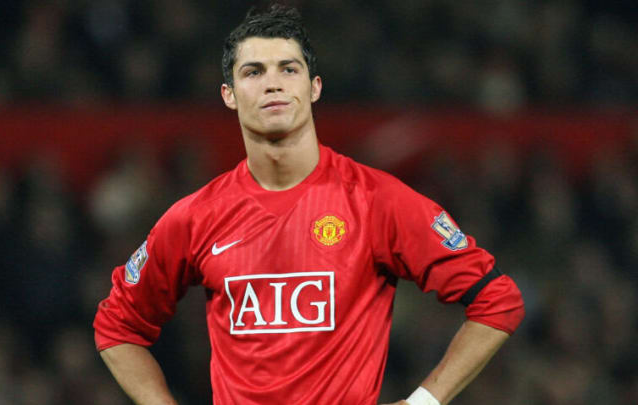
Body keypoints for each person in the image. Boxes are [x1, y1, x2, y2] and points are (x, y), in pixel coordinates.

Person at [93, 5, 525, 405]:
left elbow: (497, 299)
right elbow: (117, 327)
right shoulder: (196, 216)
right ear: (228, 94)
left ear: (314, 86)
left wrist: (423, 401)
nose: (273, 82)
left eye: (289, 68)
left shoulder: (376, 200)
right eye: (253, 71)